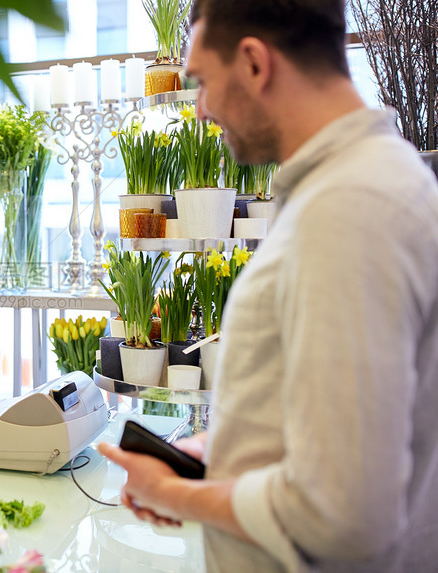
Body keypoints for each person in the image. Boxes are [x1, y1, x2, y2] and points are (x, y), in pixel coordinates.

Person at [99, 1, 438, 571]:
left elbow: (343, 517)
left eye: (204, 80)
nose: (201, 108)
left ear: (255, 63)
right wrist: (216, 454)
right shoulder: (358, 185)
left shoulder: (348, 210)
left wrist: (176, 494)